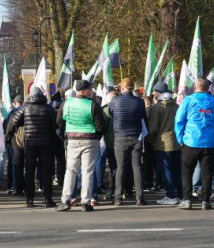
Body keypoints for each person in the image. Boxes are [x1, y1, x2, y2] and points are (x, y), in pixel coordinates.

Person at [174, 78, 214, 210]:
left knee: (186, 171)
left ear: (195, 87)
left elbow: (179, 121)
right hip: (209, 143)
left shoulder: (188, 101)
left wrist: (180, 139)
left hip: (190, 141)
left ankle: (187, 200)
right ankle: (205, 201)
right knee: (207, 173)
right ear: (208, 88)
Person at [56, 80, 106, 212]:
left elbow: (59, 122)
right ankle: (86, 201)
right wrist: (96, 137)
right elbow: (101, 126)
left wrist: (67, 135)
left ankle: (65, 199)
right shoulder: (93, 105)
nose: (91, 91)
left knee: (71, 170)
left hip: (72, 138)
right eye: (90, 89)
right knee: (87, 171)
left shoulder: (66, 103)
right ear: (84, 91)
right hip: (90, 139)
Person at [5, 90, 59, 207]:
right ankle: (48, 199)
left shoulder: (25, 109)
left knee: (29, 172)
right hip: (46, 144)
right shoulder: (48, 109)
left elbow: (14, 122)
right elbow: (56, 124)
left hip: (30, 143)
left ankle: (30, 200)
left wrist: (11, 136)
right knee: (46, 172)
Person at [108, 77, 148, 206]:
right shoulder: (140, 102)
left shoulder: (115, 100)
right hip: (136, 136)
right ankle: (140, 197)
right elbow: (143, 117)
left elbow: (111, 114)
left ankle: (118, 197)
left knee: (121, 167)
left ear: (122, 88)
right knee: (137, 167)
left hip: (120, 137)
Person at [147, 82, 182, 205]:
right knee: (177, 170)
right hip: (177, 142)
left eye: (154, 91)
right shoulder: (177, 106)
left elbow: (153, 128)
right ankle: (181, 195)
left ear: (159, 93)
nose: (153, 93)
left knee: (167, 170)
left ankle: (170, 195)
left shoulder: (157, 107)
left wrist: (151, 140)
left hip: (163, 143)